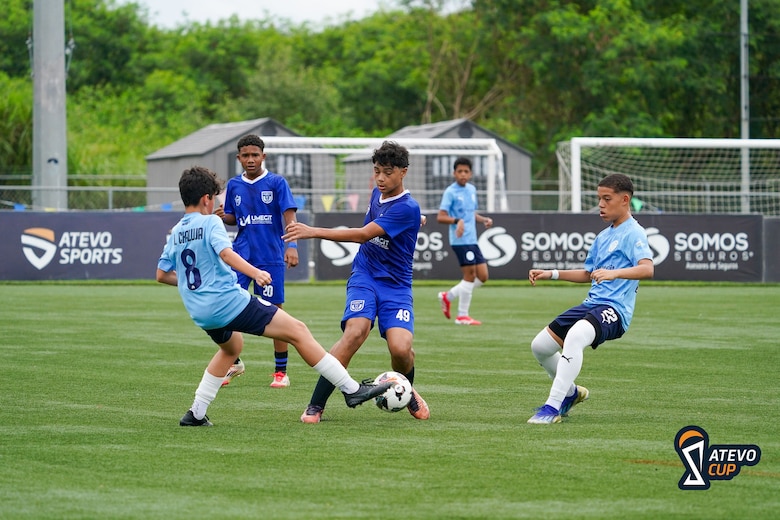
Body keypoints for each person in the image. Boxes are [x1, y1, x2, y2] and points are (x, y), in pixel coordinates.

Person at [156, 166, 392, 426]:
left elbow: (162, 274)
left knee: (231, 348)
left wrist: (196, 288)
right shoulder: (211, 221)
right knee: (297, 331)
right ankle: (351, 390)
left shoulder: (176, 231)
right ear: (206, 199)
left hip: (200, 312)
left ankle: (196, 413)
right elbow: (226, 253)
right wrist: (255, 272)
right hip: (227, 303)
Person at [282, 141, 430, 424]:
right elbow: (384, 220)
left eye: (387, 172)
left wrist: (312, 231)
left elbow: (363, 234)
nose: (380, 178)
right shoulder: (379, 193)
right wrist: (416, 218)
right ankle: (316, 405)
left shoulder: (408, 208)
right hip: (364, 275)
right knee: (354, 333)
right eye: (377, 171)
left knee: (401, 349)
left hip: (397, 285)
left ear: (403, 173)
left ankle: (407, 391)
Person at [526, 173, 654, 424]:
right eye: (599, 199)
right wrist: (550, 273)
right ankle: (572, 393)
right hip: (592, 305)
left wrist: (615, 273)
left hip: (615, 311)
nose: (601, 204)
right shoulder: (603, 236)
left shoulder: (634, 233)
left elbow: (647, 268)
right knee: (540, 347)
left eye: (607, 199)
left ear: (625, 200)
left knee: (575, 336)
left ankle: (552, 408)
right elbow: (588, 274)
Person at [215, 134, 298, 389]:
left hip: (270, 257)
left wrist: (292, 245)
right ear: (239, 158)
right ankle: (234, 361)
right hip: (241, 256)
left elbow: (289, 216)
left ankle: (281, 372)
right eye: (245, 155)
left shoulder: (277, 183)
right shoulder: (234, 185)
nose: (250, 160)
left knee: (276, 312)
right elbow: (233, 218)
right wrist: (222, 216)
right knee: (229, 306)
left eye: (255, 155)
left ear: (263, 156)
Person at [436, 157, 493, 326]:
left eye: (466, 171)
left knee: (483, 277)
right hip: (460, 240)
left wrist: (483, 219)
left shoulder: (472, 190)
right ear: (454, 173)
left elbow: (469, 214)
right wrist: (456, 221)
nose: (463, 174)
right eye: (459, 171)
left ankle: (449, 296)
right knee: (470, 275)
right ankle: (462, 315)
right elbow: (441, 216)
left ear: (471, 173)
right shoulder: (450, 192)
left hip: (472, 239)